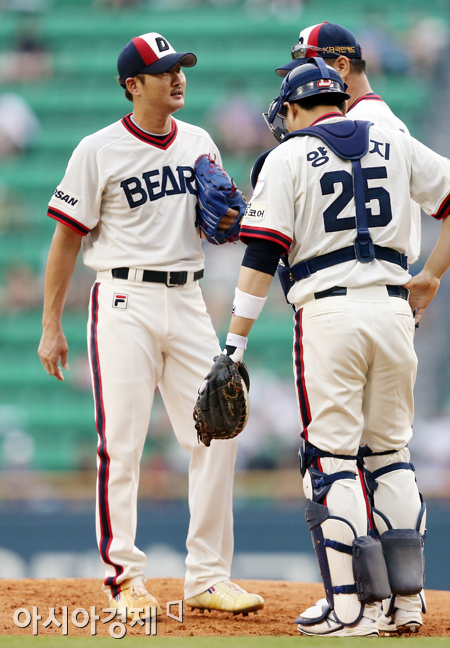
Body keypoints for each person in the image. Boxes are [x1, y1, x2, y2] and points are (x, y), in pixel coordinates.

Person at [214, 59, 450, 636]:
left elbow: (261, 257)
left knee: (331, 461)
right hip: (394, 308)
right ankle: (407, 605)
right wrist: (430, 273)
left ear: (292, 109)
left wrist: (232, 348)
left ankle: (352, 605)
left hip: (329, 310)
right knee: (391, 454)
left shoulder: (286, 157)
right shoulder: (395, 139)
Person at [37, 32, 264, 618]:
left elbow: (218, 223)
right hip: (122, 298)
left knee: (219, 428)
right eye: (165, 72)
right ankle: (124, 581)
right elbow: (67, 239)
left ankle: (207, 576)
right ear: (133, 85)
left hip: (187, 298)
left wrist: (230, 219)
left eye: (181, 68)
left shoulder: (199, 141)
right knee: (124, 445)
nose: (178, 78)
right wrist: (50, 324)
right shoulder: (98, 149)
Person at [275, 22, 422, 266]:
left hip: (365, 272)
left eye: (309, 70)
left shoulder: (359, 124)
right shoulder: (377, 119)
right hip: (378, 271)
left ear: (342, 66)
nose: (302, 81)